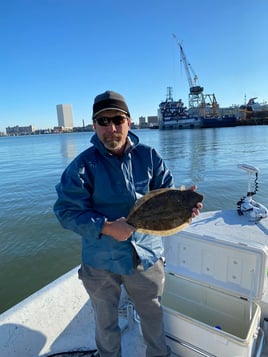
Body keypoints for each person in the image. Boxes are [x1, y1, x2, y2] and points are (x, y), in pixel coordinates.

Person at [54, 90, 202, 357]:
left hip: (146, 256)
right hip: (100, 260)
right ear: (94, 126)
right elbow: (65, 211)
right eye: (103, 121)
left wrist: (184, 206)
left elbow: (166, 194)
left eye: (118, 120)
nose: (111, 128)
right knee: (105, 322)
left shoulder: (150, 156)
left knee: (154, 316)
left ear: (129, 122)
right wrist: (106, 226)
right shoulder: (81, 166)